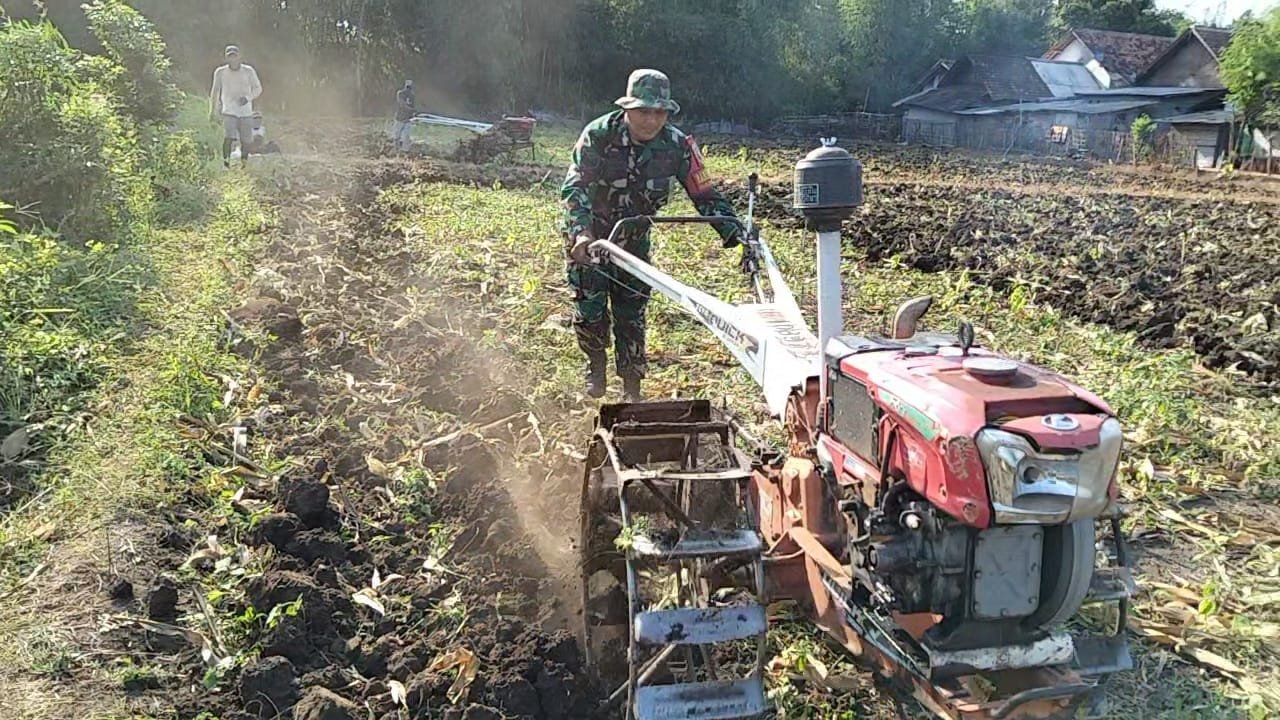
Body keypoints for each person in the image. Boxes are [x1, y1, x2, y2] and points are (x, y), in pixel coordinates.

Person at [560, 69, 743, 401]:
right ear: (628, 109)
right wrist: (580, 235)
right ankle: (596, 365)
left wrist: (733, 231)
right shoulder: (598, 136)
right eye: (644, 111)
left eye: (659, 112)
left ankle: (632, 388)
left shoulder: (677, 145)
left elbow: (704, 194)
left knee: (632, 313)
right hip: (594, 237)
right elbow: (575, 189)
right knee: (590, 309)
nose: (651, 120)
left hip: (634, 241)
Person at [209, 45, 263, 168]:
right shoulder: (220, 72)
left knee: (246, 141)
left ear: (239, 57)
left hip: (245, 111)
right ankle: (226, 164)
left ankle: (244, 164)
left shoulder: (248, 71)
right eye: (230, 57)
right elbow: (215, 91)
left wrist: (248, 98)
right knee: (229, 137)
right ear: (226, 58)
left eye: (235, 56)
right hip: (228, 110)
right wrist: (212, 110)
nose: (233, 59)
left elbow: (258, 88)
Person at [391, 80, 416, 152]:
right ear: (405, 87)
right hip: (399, 118)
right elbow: (402, 104)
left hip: (408, 119)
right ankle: (396, 149)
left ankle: (405, 151)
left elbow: (412, 105)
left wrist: (413, 113)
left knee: (406, 136)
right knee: (397, 135)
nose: (408, 89)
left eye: (409, 88)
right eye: (407, 87)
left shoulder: (412, 95)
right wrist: (412, 110)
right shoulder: (400, 93)